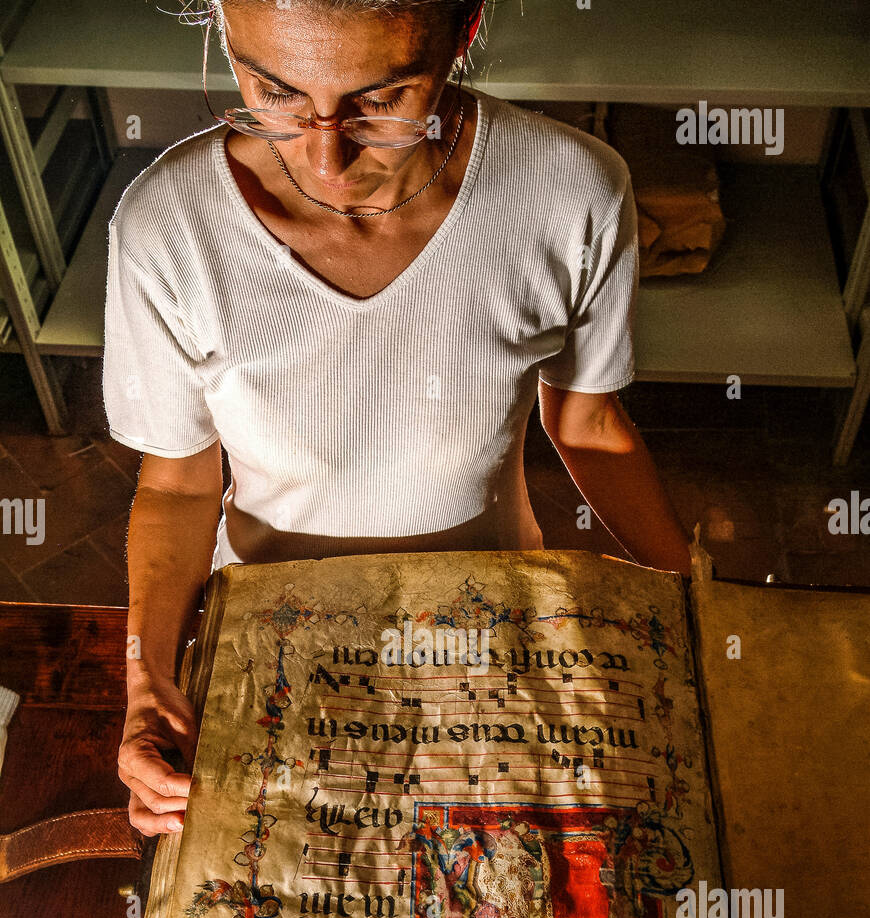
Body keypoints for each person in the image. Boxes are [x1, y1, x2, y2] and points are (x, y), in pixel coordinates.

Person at [105, 0, 691, 838]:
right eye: (270, 88)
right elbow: (179, 486)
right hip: (273, 635)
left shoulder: (570, 191)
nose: (325, 153)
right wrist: (148, 678)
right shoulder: (170, 227)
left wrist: (697, 608)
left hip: (492, 622)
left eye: (381, 98)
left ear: (466, 30)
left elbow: (590, 425)